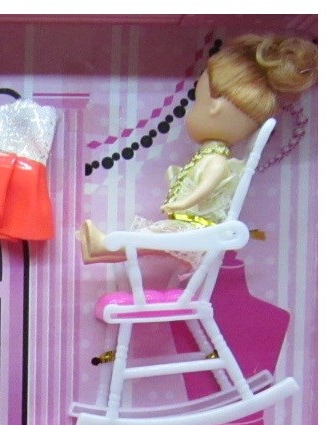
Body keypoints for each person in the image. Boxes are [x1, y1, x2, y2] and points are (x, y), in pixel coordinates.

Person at [79, 34, 317, 264]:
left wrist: (182, 204)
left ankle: (105, 246)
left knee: (151, 236)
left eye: (198, 103)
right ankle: (103, 250)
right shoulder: (210, 156)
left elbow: (207, 185)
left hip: (196, 232)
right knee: (150, 238)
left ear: (214, 109)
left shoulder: (217, 160)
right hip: (193, 230)